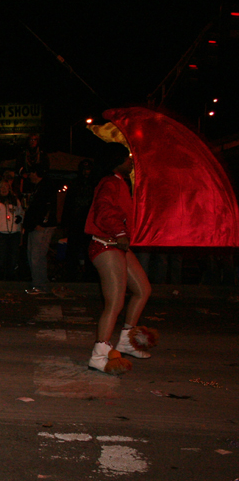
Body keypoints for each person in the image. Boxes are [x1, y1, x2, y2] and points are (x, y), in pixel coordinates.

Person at [85, 143, 154, 374]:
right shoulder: (110, 182)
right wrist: (121, 232)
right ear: (116, 161)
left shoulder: (120, 182)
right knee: (115, 302)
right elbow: (103, 211)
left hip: (117, 244)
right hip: (106, 244)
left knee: (143, 289)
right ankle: (99, 355)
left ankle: (126, 340)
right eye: (128, 158)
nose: (131, 161)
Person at [23, 164, 61, 294]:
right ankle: (38, 283)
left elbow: (47, 207)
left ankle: (40, 285)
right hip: (36, 225)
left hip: (41, 226)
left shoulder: (46, 187)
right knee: (33, 255)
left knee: (37, 256)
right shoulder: (39, 187)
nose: (29, 176)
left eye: (31, 173)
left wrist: (41, 223)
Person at [0, 179, 24, 280]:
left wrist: (20, 218)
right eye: (1, 187)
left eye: (5, 186)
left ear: (9, 188)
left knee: (13, 258)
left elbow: (21, 212)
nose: (4, 189)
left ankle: (10, 279)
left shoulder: (14, 200)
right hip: (0, 233)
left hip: (14, 232)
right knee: (1, 257)